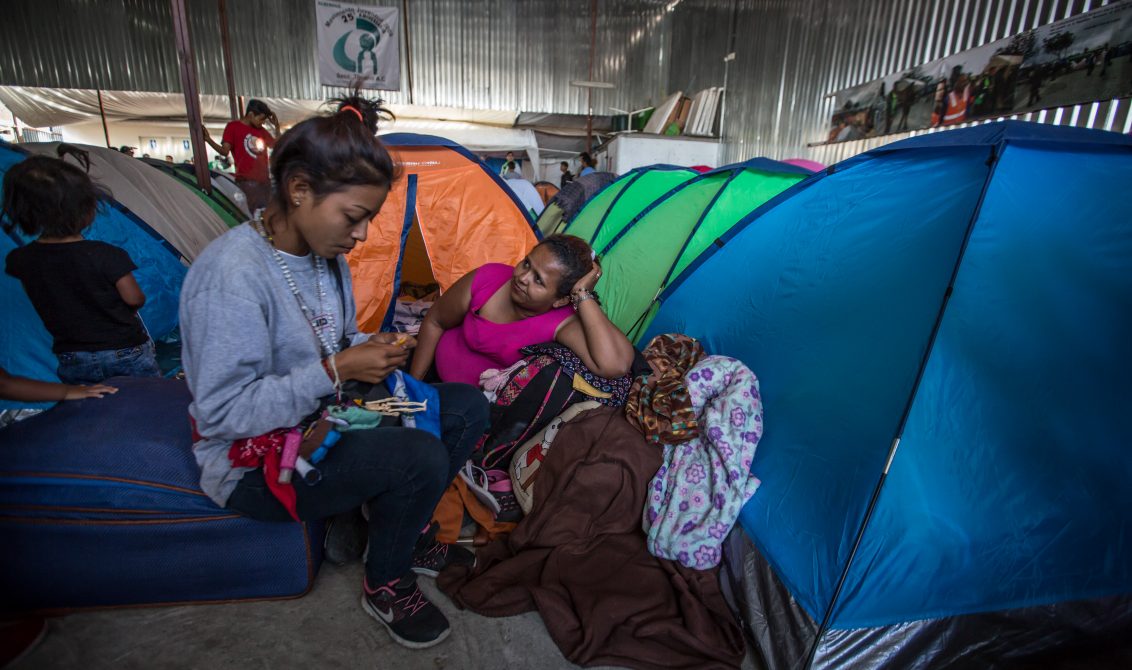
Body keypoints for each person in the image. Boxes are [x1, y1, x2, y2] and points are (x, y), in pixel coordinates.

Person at [179, 93, 489, 650]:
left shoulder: (327, 257)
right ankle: (386, 582)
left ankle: (400, 531)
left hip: (326, 416)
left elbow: (335, 339)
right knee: (421, 454)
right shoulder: (230, 278)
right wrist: (337, 368)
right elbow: (224, 415)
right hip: (254, 462)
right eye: (354, 217)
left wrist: (378, 345)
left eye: (369, 220)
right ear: (299, 190)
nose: (363, 235)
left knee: (464, 405)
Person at [3, 153, 160, 385]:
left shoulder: (20, 259)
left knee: (88, 409)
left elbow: (39, 297)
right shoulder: (106, 254)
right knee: (148, 397)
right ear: (86, 210)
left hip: (72, 355)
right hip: (125, 349)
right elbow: (134, 298)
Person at [409, 234, 636, 387]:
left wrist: (583, 295)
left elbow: (615, 364)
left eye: (539, 280)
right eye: (527, 263)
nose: (522, 277)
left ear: (560, 300)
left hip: (473, 412)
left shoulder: (561, 321)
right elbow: (435, 321)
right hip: (428, 378)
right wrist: (412, 387)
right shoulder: (489, 278)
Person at [203, 99, 280, 212]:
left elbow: (275, 145)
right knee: (253, 216)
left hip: (264, 182)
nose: (263, 123)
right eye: (261, 119)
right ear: (251, 114)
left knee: (267, 216)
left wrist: (277, 127)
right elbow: (225, 151)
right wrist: (208, 140)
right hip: (246, 182)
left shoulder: (261, 131)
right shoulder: (233, 127)